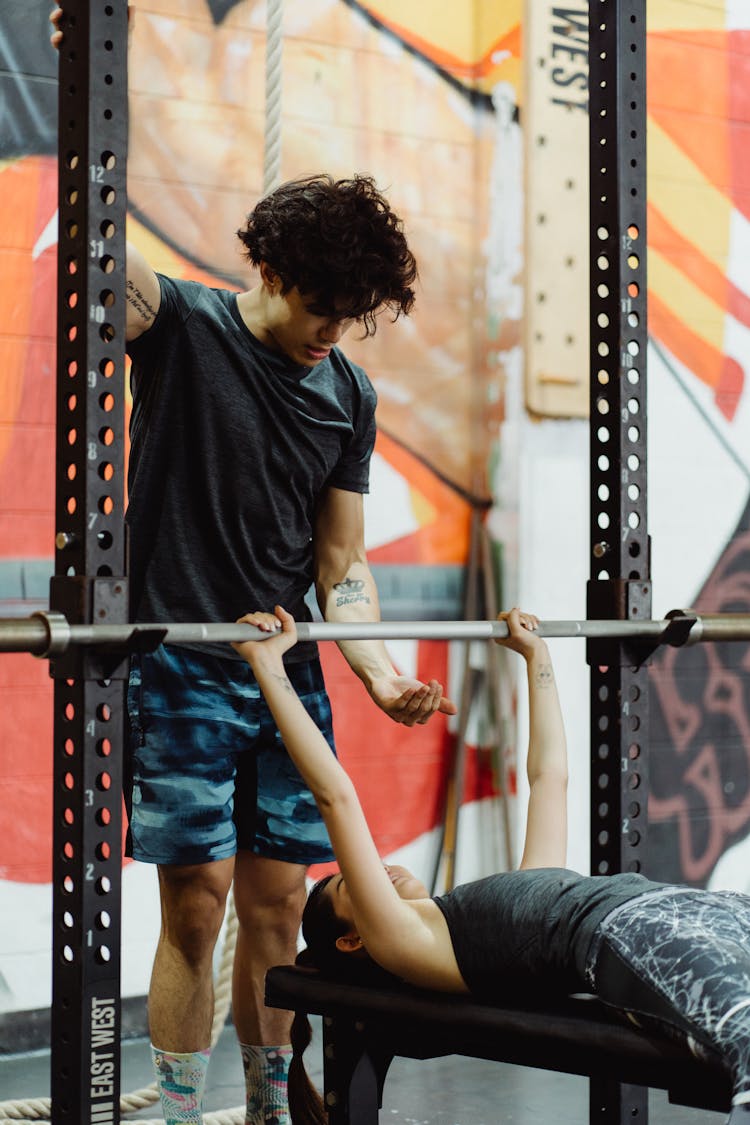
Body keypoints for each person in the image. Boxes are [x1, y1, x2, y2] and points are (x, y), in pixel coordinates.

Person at [50, 10, 457, 1125]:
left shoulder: (349, 396)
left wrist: (375, 673)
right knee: (198, 905)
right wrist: (68, 74)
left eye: (354, 315)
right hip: (181, 661)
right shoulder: (179, 322)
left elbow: (342, 561)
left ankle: (270, 1108)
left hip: (289, 669)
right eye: (320, 304)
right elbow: (94, 247)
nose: (335, 330)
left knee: (280, 909)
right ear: (269, 267)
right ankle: (183, 1111)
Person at [233, 605, 750, 1125]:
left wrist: (536, 656)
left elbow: (550, 778)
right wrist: (268, 666)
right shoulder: (406, 939)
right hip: (631, 934)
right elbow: (335, 795)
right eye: (351, 887)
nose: (381, 869)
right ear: (354, 938)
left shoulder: (511, 905)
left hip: (699, 906)